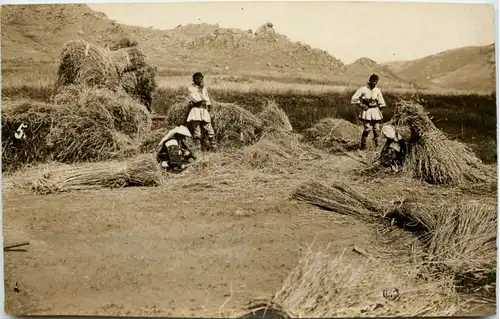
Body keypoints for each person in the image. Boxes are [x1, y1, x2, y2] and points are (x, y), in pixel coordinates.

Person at [351, 74, 387, 150]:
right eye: (373, 81)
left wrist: (380, 111)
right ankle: (363, 147)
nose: (375, 83)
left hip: (375, 111)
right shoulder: (363, 89)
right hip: (366, 111)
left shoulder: (377, 90)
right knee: (367, 129)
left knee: (376, 129)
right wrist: (361, 105)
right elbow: (354, 98)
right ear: (370, 80)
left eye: (376, 81)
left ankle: (377, 148)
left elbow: (381, 101)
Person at [186, 72, 217, 153]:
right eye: (198, 79)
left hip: (204, 110)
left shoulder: (203, 88)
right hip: (196, 111)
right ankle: (198, 151)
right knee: (197, 131)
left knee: (209, 128)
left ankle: (214, 148)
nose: (200, 80)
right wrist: (200, 91)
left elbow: (207, 99)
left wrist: (210, 108)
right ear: (195, 79)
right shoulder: (191, 88)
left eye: (201, 78)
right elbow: (196, 99)